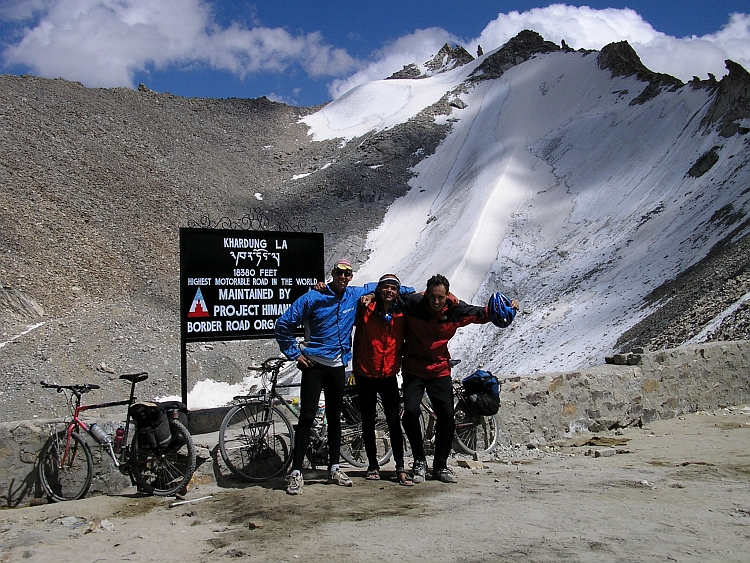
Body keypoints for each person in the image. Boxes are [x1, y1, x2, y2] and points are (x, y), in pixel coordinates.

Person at [274, 259, 413, 495]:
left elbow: (388, 288)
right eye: (339, 273)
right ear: (332, 274)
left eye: (348, 274)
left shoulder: (354, 294)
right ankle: (296, 472)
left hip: (338, 366)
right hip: (314, 365)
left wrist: (405, 294)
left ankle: (334, 467)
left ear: (351, 277)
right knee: (307, 417)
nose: (343, 277)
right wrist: (295, 354)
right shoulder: (313, 297)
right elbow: (283, 324)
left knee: (335, 417)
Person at [399, 274, 518, 484]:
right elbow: (388, 297)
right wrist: (370, 297)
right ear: (426, 294)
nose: (436, 302)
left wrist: (511, 307)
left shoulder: (456, 310)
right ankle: (419, 462)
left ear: (447, 296)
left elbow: (483, 314)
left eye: (441, 297)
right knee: (410, 412)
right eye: (433, 297)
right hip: (413, 367)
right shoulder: (413, 303)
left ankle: (440, 466)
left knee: (447, 417)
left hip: (439, 370)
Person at [352, 273, 413, 486]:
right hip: (365, 371)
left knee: (393, 421)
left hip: (388, 374)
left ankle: (400, 466)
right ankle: (372, 465)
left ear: (397, 292)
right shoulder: (364, 308)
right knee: (367, 421)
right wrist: (369, 293)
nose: (389, 291)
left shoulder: (402, 311)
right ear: (378, 289)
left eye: (393, 288)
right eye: (385, 287)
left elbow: (413, 290)